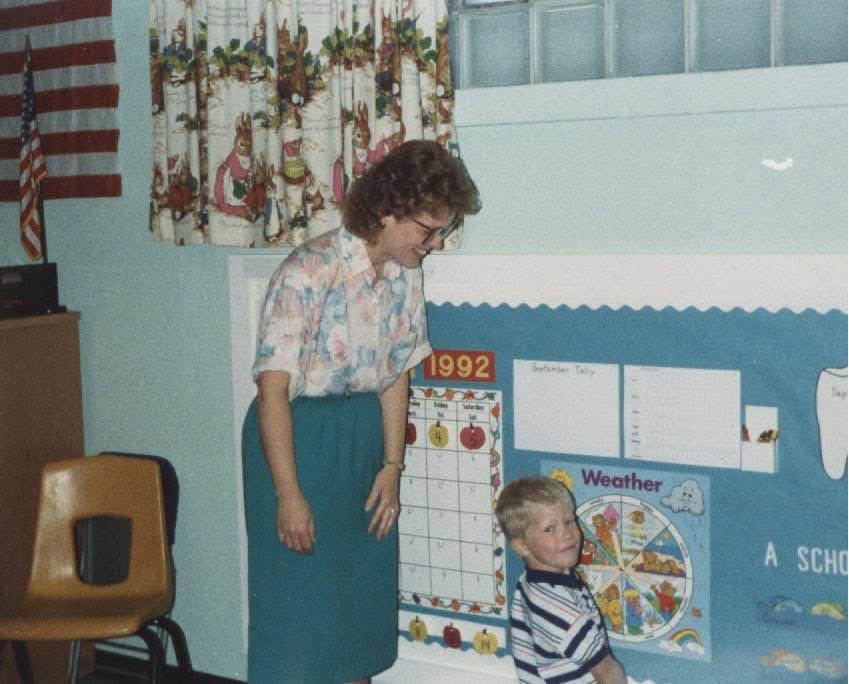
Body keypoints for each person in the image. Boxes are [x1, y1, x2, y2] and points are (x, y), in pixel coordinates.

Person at [242, 140, 480, 683]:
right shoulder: (307, 272)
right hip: (298, 441)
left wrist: (391, 468)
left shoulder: (404, 274)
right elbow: (272, 394)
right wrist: (289, 495)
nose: (436, 244)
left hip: (364, 437)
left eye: (443, 231)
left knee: (359, 610)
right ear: (387, 212)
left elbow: (396, 374)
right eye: (429, 230)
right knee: (300, 613)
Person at [495, 477, 626, 684]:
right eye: (549, 529)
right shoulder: (560, 611)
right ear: (522, 546)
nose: (567, 535)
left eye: (569, 521)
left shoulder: (534, 580)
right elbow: (608, 672)